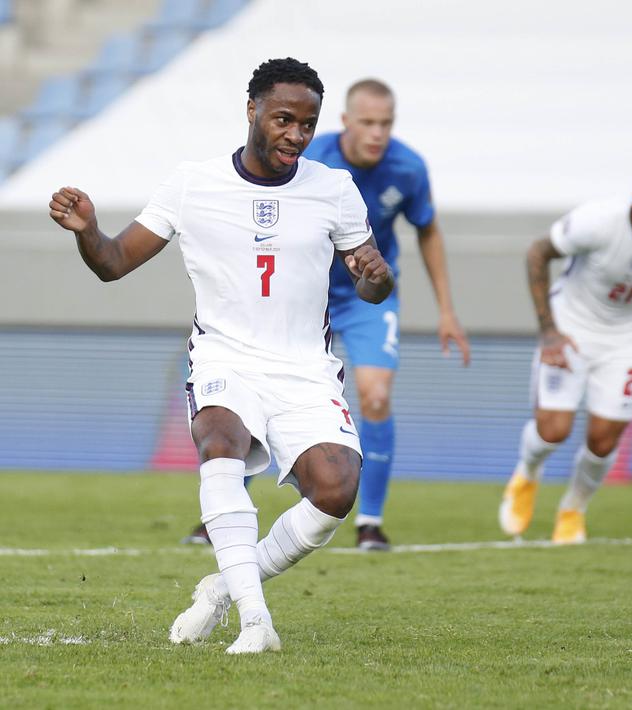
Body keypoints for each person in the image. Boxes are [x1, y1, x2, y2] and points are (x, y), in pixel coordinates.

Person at [49, 58, 393, 653]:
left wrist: (376, 279)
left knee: (336, 490)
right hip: (224, 358)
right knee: (219, 443)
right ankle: (257, 622)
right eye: (284, 119)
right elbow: (113, 263)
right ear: (252, 109)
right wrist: (87, 230)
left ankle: (222, 589)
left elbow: (370, 281)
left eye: (307, 124)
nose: (295, 135)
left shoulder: (334, 190)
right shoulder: (192, 183)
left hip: (304, 369)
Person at [181, 78, 470, 551]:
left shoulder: (409, 167)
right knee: (248, 388)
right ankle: (227, 511)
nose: (378, 133)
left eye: (386, 124)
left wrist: (447, 310)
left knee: (375, 395)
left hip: (362, 294)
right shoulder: (312, 163)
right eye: (368, 123)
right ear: (346, 122)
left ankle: (370, 522)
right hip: (292, 296)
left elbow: (428, 230)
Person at [498, 158, 632, 544]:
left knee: (604, 439)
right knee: (553, 430)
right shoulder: (597, 221)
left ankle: (573, 509)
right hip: (571, 327)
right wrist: (549, 331)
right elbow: (537, 253)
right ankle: (527, 474)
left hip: (627, 340)